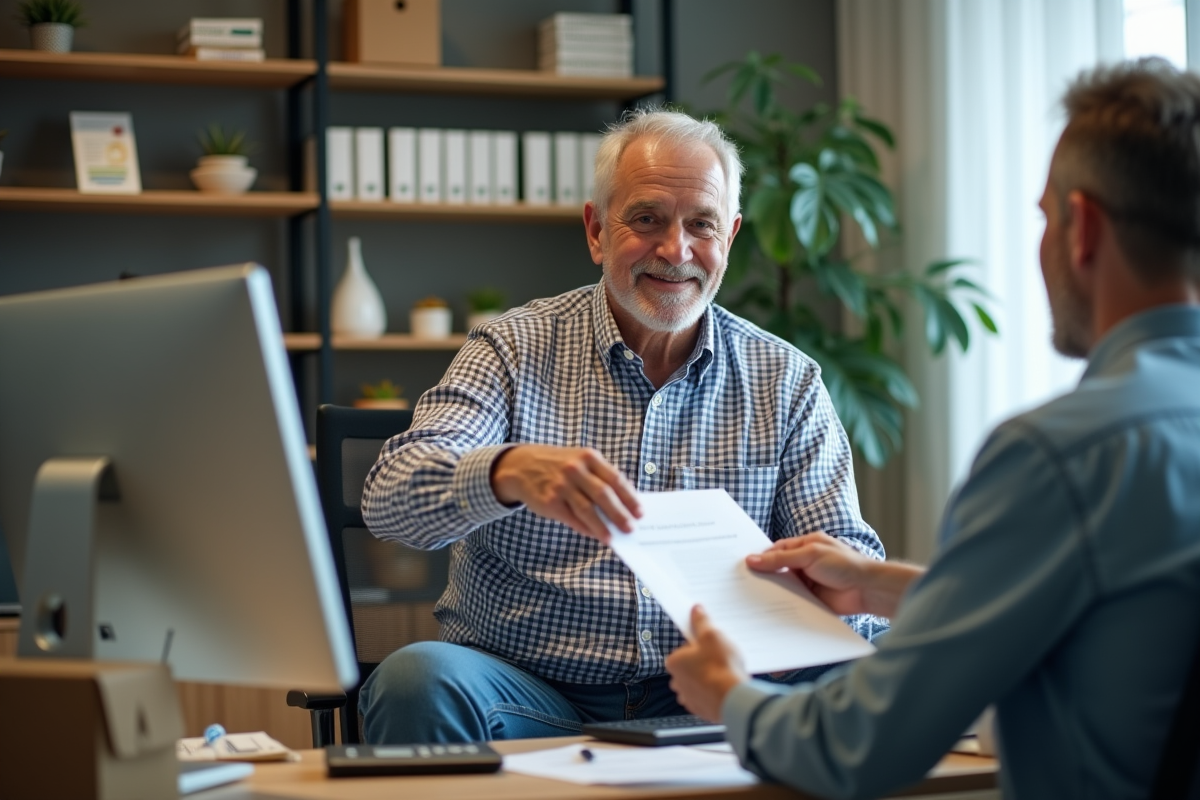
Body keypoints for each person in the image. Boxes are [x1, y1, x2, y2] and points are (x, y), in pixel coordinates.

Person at [665, 58, 1200, 799]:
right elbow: (1109, 611)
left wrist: (729, 696)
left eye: (1044, 217)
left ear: (1081, 228)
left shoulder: (1059, 455)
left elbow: (861, 746)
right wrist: (874, 584)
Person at [358, 109, 888, 744]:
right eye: (647, 220)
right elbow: (389, 499)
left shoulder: (786, 379)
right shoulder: (511, 348)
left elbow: (847, 562)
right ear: (596, 230)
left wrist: (818, 602)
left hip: (715, 691)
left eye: (702, 225)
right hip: (531, 692)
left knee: (871, 665)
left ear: (729, 237)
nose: (676, 251)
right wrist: (505, 472)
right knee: (415, 679)